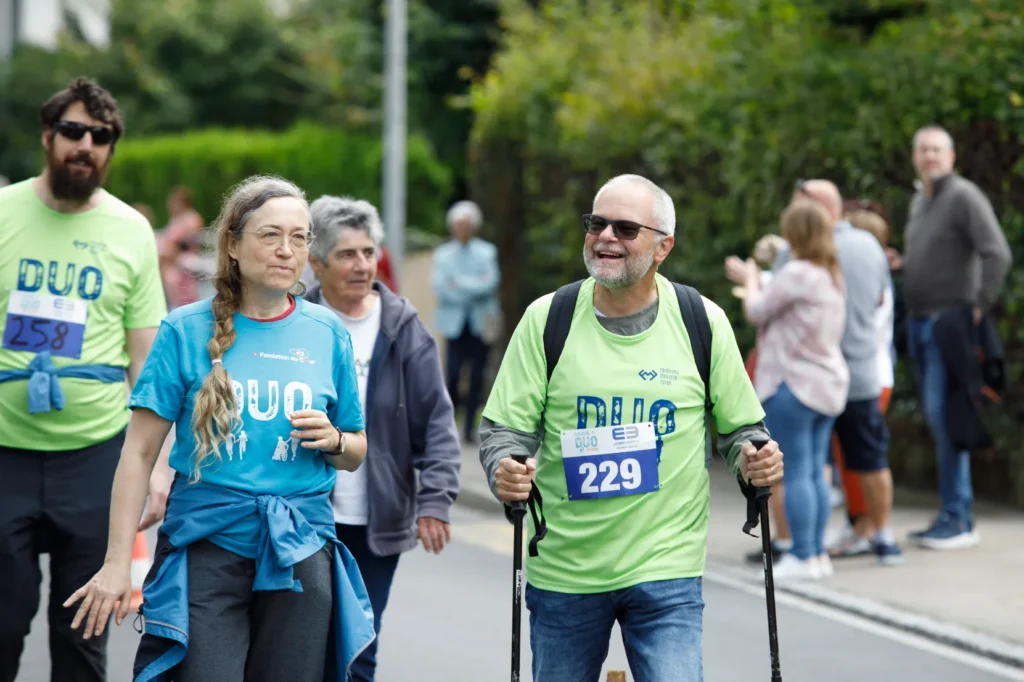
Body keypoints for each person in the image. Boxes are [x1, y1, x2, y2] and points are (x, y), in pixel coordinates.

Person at [63, 176, 377, 682]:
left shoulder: (327, 333)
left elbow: (356, 449)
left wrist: (336, 441)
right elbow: (139, 453)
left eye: (299, 237)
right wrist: (118, 563)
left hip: (300, 547)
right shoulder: (183, 330)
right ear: (232, 243)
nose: (286, 250)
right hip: (207, 544)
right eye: (270, 235)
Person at [479, 174, 783, 682]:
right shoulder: (546, 319)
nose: (605, 237)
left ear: (663, 246)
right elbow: (504, 431)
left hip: (666, 567)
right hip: (566, 571)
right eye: (596, 223)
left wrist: (757, 458)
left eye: (625, 227)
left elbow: (741, 430)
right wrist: (504, 470)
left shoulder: (700, 321)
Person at [0, 77, 169, 682]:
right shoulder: (4, 214)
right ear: (47, 137)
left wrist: (158, 466)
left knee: (83, 635)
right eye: (73, 131)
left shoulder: (129, 231)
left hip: (96, 454)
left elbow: (148, 360)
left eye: (101, 137)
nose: (86, 145)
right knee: (2, 624)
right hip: (6, 453)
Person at [304, 195, 461, 682]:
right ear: (317, 262)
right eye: (348, 254)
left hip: (377, 520)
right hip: (304, 516)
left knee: (357, 649)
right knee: (304, 645)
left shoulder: (402, 327)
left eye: (369, 252)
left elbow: (437, 421)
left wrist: (435, 500)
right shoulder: (296, 322)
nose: (362, 265)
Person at [896, 125, 1012, 549]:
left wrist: (977, 307)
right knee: (937, 416)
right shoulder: (920, 199)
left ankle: (958, 519)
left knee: (947, 417)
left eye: (936, 150)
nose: (929, 156)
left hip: (951, 323)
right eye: (923, 149)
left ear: (952, 155)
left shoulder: (963, 195)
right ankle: (951, 513)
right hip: (922, 322)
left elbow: (996, 252)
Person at [741, 200, 849, 581]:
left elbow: (756, 310)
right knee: (817, 473)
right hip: (827, 383)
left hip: (793, 384)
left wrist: (752, 279)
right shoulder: (830, 274)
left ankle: (802, 555)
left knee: (797, 473)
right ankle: (817, 554)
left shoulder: (797, 272)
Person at [432, 200, 501, 444]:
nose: (462, 229)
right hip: (454, 323)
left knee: (477, 376)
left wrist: (459, 283)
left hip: (480, 323)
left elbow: (490, 283)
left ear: (474, 226)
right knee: (451, 373)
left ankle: (470, 428)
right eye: (458, 225)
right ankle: (447, 425)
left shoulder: (487, 251)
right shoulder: (443, 254)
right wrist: (472, 285)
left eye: (466, 225)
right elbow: (441, 287)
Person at [156, 186, 206, 310]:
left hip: (185, 259)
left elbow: (185, 242)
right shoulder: (175, 219)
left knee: (176, 274)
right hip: (173, 259)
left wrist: (169, 249)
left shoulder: (192, 218)